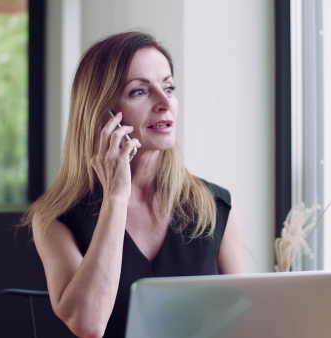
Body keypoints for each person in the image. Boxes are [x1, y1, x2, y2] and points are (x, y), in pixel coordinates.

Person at [22, 30, 246, 338]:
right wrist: (116, 198)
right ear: (101, 114)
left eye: (169, 87)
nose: (165, 101)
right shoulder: (55, 219)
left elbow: (246, 322)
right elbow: (88, 323)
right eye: (140, 91)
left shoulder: (215, 206)